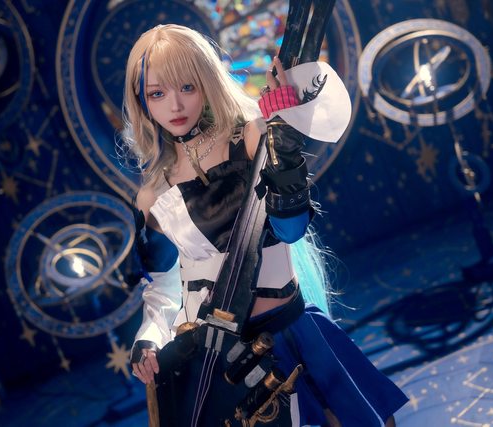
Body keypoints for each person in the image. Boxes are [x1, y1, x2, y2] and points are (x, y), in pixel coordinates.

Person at [123, 24, 407, 426]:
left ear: (206, 81)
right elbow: (165, 284)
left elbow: (291, 230)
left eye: (187, 86)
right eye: (157, 93)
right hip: (220, 361)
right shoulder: (153, 194)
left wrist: (283, 150)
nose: (175, 105)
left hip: (290, 335)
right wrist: (149, 338)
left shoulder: (252, 138)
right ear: (141, 101)